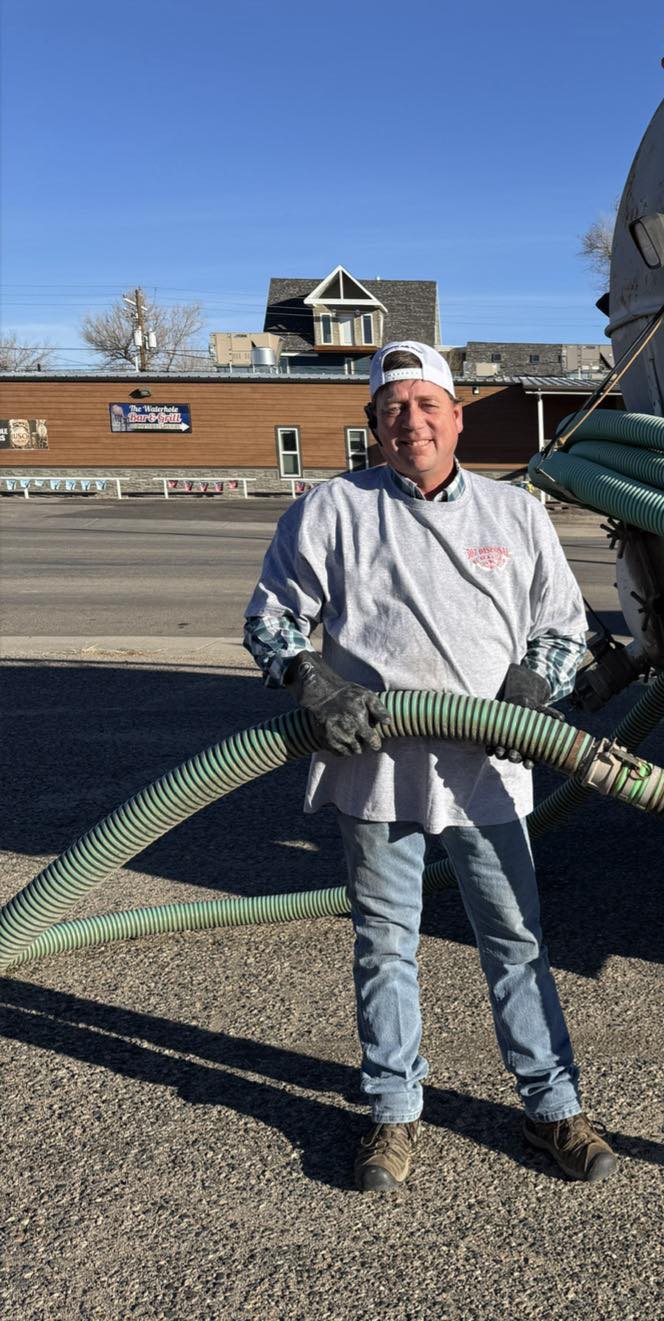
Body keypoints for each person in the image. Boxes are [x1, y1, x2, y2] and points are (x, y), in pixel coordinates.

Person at [243, 340, 615, 1193]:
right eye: (391, 407)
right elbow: (271, 623)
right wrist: (311, 679)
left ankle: (552, 1106)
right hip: (373, 770)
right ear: (373, 424)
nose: (409, 419)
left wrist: (535, 682)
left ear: (455, 416)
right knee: (384, 946)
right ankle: (392, 1114)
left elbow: (563, 628)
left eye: (425, 404)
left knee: (515, 940)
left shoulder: (513, 515)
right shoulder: (332, 509)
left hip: (487, 770)